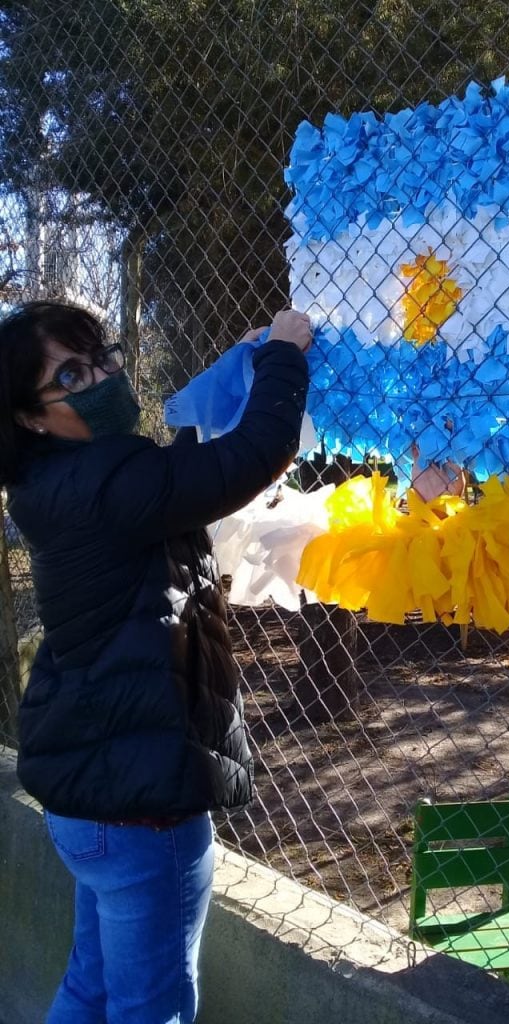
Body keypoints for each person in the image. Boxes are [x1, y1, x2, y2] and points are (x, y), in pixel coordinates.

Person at [0, 300, 312, 1024]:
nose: (104, 376)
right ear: (30, 417)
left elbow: (168, 478)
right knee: (154, 1008)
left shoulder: (62, 482)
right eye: (70, 375)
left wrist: (242, 366)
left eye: (101, 356)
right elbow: (246, 459)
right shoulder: (111, 487)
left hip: (91, 794)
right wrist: (285, 356)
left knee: (93, 986)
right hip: (143, 806)